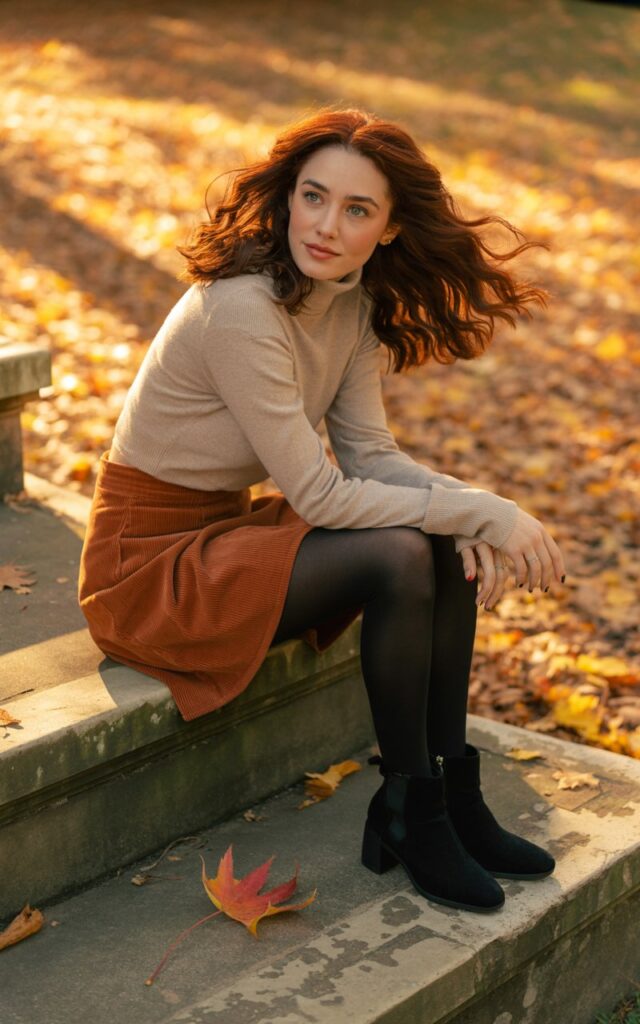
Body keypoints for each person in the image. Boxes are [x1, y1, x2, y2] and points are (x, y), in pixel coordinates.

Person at [78, 106, 565, 915]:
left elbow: (371, 457)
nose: (326, 226)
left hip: (223, 533)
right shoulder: (241, 307)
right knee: (403, 549)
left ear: (390, 226)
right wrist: (483, 515)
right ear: (288, 197)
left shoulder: (352, 305)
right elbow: (322, 496)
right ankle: (409, 808)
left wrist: (468, 514)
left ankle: (449, 790)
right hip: (147, 567)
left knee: (433, 542)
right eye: (313, 196)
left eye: (356, 209)